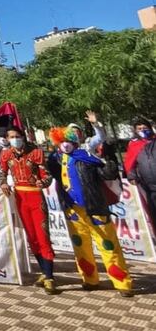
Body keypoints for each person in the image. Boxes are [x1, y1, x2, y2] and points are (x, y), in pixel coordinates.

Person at [47, 124, 134, 297]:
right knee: (81, 247)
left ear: (75, 142)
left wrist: (108, 156)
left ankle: (122, 283)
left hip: (95, 207)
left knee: (108, 245)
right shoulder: (56, 160)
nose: (65, 144)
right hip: (73, 210)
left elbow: (107, 173)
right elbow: (51, 172)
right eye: (61, 141)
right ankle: (90, 279)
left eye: (68, 141)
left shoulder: (86, 156)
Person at [0, 126, 56, 294]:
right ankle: (45, 273)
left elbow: (47, 175)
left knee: (43, 235)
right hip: (20, 198)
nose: (15, 139)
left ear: (22, 137)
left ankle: (49, 276)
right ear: (8, 139)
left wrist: (43, 183)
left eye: (17, 136)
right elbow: (1, 172)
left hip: (36, 197)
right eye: (12, 136)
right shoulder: (6, 154)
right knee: (32, 238)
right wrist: (3, 183)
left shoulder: (35, 152)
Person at [125, 118, 156, 233]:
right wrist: (132, 176)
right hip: (149, 187)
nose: (143, 130)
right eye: (139, 129)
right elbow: (130, 163)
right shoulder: (134, 144)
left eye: (145, 128)